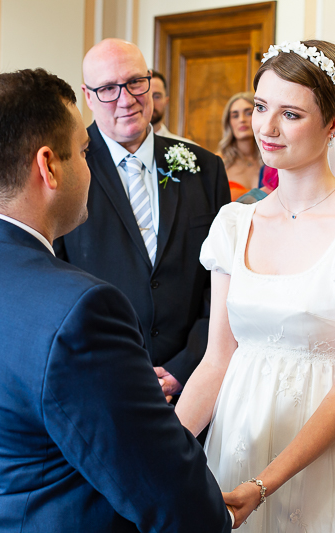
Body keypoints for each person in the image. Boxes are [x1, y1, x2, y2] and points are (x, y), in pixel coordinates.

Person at [0, 67, 232, 533]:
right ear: (49, 166)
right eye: (85, 153)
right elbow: (162, 488)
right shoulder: (80, 311)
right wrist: (218, 514)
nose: (91, 168)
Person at [176, 39, 335, 532]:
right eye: (259, 107)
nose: (266, 129)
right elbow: (216, 360)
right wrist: (159, 453)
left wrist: (264, 484)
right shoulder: (234, 224)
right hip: (239, 439)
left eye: (290, 114)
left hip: (329, 455)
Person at [54, 39, 231, 400]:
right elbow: (55, 283)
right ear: (88, 96)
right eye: (107, 89)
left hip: (197, 380)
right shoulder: (63, 171)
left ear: (150, 80)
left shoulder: (206, 169)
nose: (126, 99)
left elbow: (221, 284)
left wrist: (185, 367)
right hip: (102, 382)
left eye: (136, 81)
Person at [217, 92, 264, 201]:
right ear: (228, 123)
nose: (242, 119)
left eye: (248, 113)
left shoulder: (274, 162)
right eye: (235, 115)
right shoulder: (219, 163)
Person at [150, 70, 194, 144]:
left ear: (166, 101)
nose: (151, 102)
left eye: (157, 97)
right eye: (146, 96)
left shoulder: (187, 148)